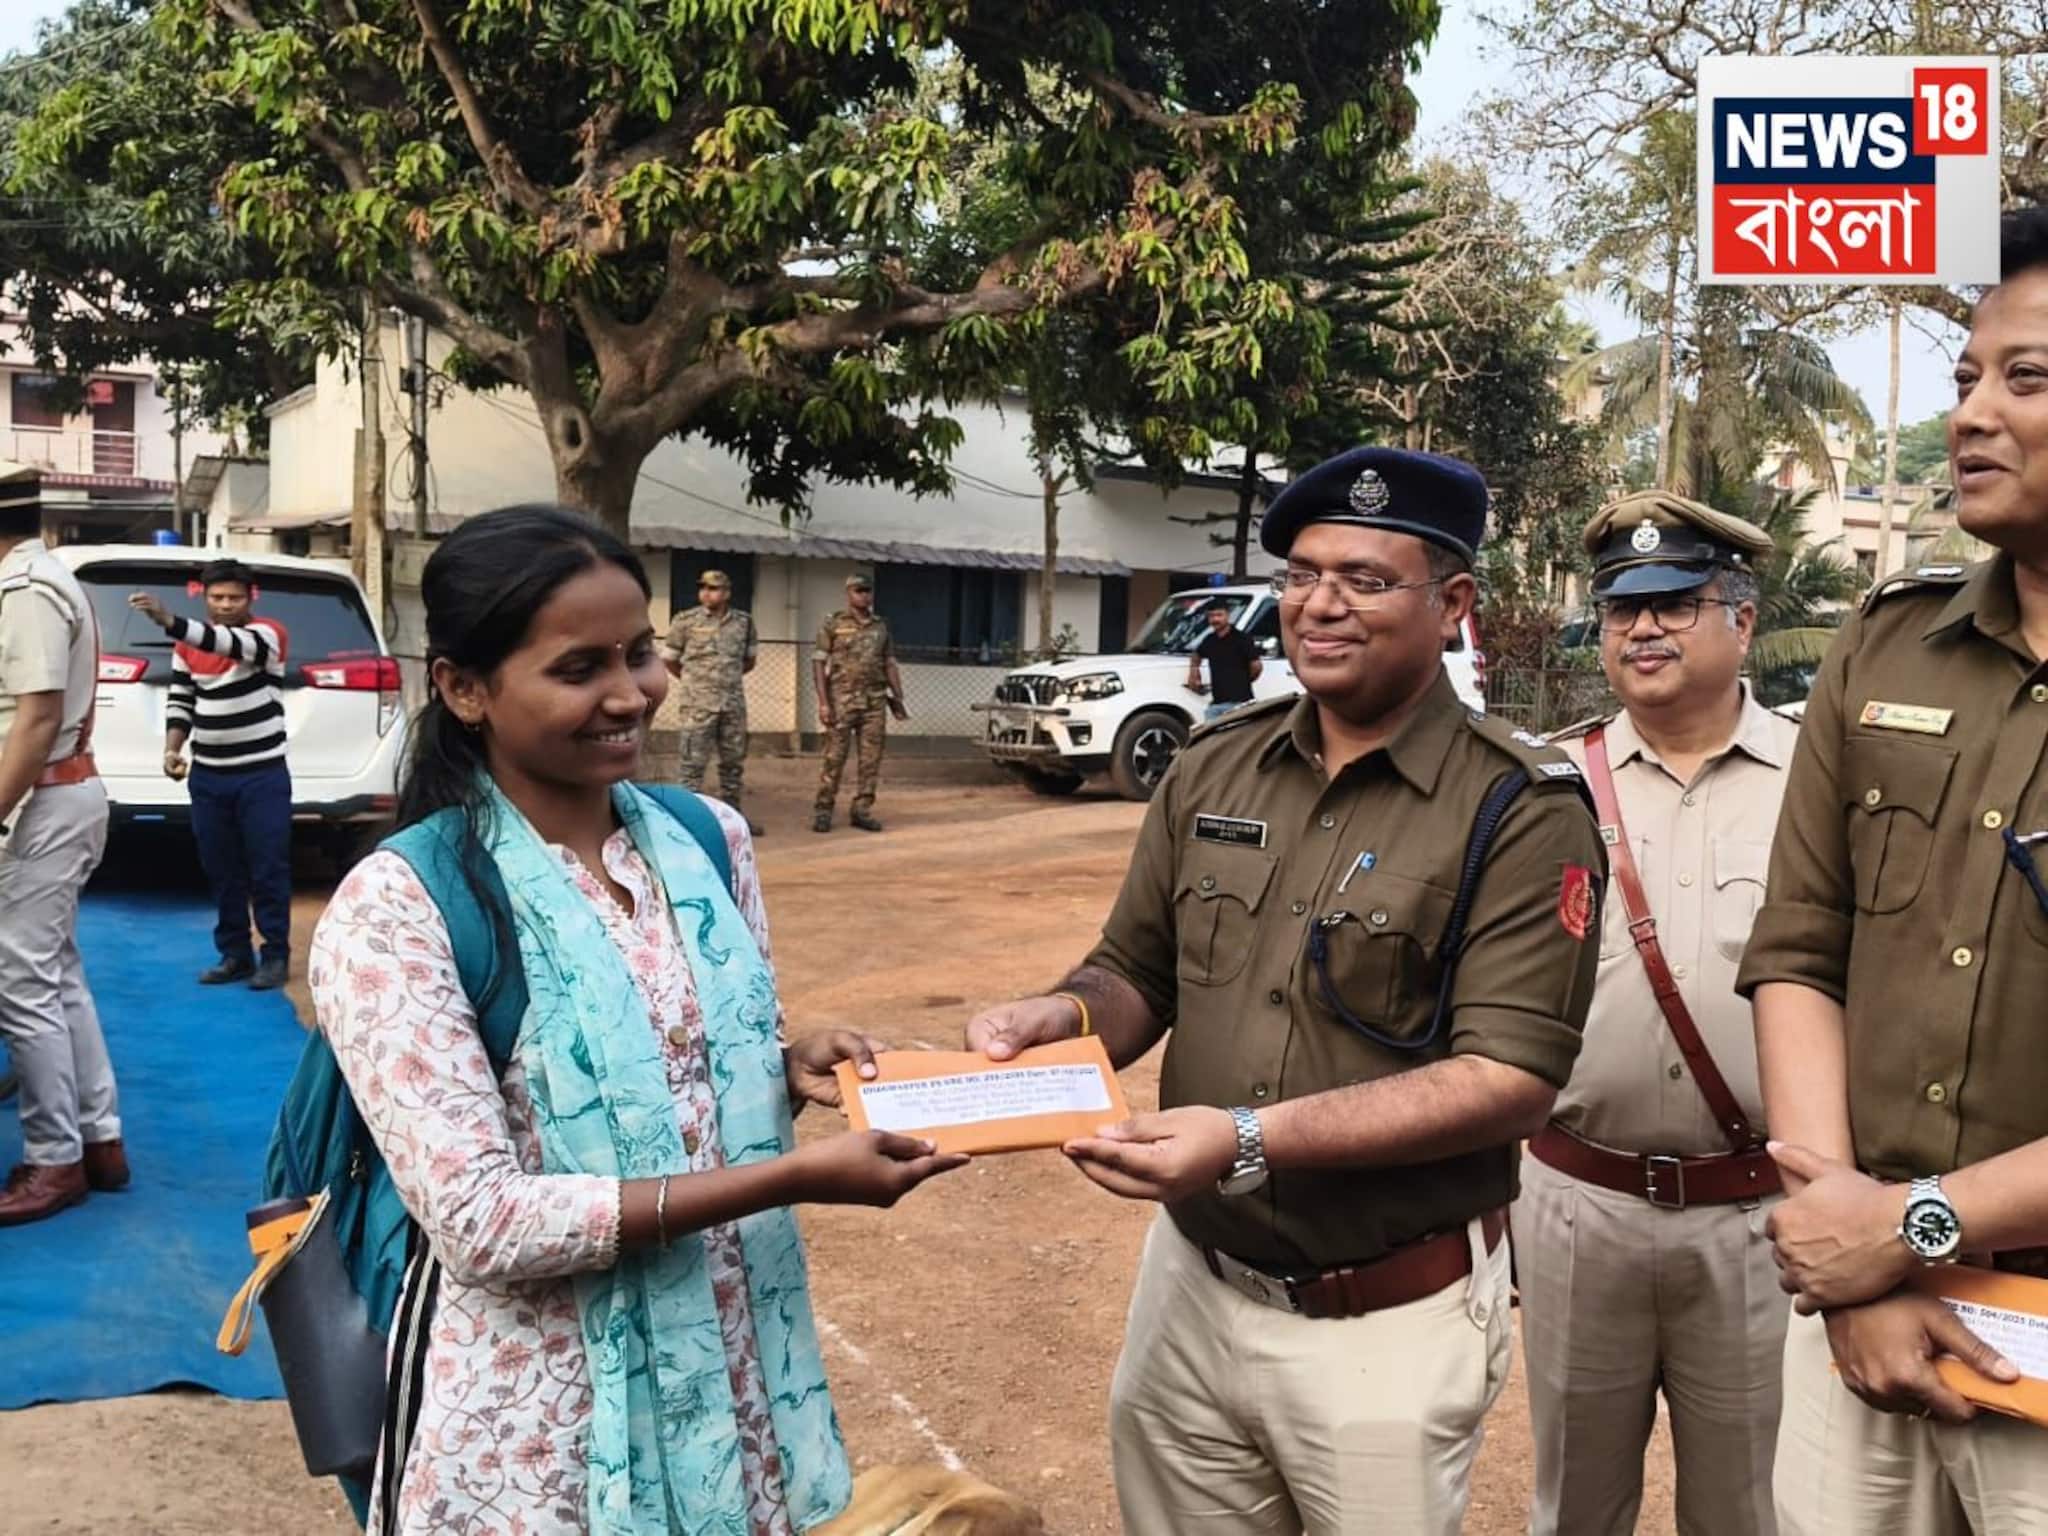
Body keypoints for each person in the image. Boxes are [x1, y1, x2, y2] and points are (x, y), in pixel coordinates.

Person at [964, 447, 1605, 1536]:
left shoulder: (1520, 807)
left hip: (1383, 1325)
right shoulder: (1216, 762)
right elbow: (1134, 972)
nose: (1319, 604)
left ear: (1451, 603)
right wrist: (1061, 1018)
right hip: (1191, 1289)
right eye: (1302, 575)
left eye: (1364, 579)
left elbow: (1509, 1080)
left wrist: (1245, 1138)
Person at [308, 505, 965, 1535]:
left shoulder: (707, 842)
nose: (630, 694)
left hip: (736, 1385)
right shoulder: (403, 905)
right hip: (543, 1426)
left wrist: (780, 1067)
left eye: (640, 654)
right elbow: (482, 1222)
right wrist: (790, 1179)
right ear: (464, 688)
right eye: (579, 669)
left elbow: (667, 1089)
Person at [1736, 206, 2048, 1536]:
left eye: (2025, 378)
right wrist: (1847, 1251)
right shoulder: (1884, 646)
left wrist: (1905, 1226)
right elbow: (1800, 946)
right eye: (1966, 376)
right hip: (1857, 1322)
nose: (1971, 413)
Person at [1520, 492, 1795, 1536]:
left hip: (1757, 1218)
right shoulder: (1543, 784)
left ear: (1743, 620)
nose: (1642, 628)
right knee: (1573, 1505)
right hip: (1576, 1204)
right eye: (1620, 608)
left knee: (1750, 1508)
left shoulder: (1817, 780)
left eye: (1676, 603)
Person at [0, 460, 126, 1227]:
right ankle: (98, 1141)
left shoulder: (25, 590)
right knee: (56, 974)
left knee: (23, 984)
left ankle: (54, 1159)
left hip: (42, 803)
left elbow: (37, 716)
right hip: (54, 798)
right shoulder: (46, 577)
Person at [130, 559, 294, 990]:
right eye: (217, 597)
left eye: (234, 598)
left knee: (268, 867)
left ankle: (275, 955)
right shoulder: (187, 645)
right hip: (209, 777)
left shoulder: (267, 635)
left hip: (262, 775)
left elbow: (226, 643)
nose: (225, 605)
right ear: (204, 597)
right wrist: (172, 749)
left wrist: (169, 621)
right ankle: (235, 954)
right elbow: (181, 699)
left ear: (251, 598)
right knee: (222, 869)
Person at [664, 568, 761, 834]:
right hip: (698, 706)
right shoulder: (685, 621)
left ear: (726, 593)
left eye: (713, 588)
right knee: (692, 767)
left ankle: (734, 821)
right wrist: (696, 682)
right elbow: (670, 660)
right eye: (703, 588)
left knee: (733, 766)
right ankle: (688, 822)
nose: (706, 593)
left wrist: (724, 681)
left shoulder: (743, 623)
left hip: (732, 705)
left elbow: (749, 661)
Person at [811, 572, 906, 834]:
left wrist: (898, 697)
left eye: (867, 591)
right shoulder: (833, 623)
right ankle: (823, 810)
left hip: (874, 703)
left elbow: (889, 662)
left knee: (870, 760)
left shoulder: (881, 626)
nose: (864, 595)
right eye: (858, 591)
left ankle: (862, 810)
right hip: (841, 702)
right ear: (848, 593)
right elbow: (818, 663)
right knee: (834, 759)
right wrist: (823, 702)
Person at [1187, 599, 1263, 721]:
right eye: (1211, 616)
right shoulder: (1209, 640)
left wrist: (1244, 680)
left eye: (1219, 615)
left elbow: (1256, 666)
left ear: (1227, 616)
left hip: (1240, 703)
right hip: (1216, 704)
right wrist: (1194, 672)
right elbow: (1196, 655)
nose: (1215, 619)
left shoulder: (1242, 639)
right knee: (1211, 732)